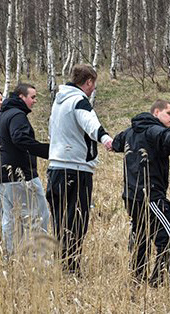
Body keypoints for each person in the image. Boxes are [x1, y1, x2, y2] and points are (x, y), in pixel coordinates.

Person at [111, 100, 170, 287]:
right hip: (151, 197)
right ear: (156, 113)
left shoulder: (130, 131)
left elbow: (116, 143)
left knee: (141, 238)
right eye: (169, 113)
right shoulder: (153, 130)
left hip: (131, 197)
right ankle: (158, 283)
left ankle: (137, 282)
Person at [47, 64, 113, 276]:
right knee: (77, 221)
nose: (93, 89)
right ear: (89, 82)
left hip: (55, 168)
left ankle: (62, 264)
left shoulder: (58, 102)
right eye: (93, 85)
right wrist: (107, 140)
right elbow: (91, 124)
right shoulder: (79, 101)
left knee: (59, 220)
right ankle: (72, 269)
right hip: (75, 169)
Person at [0, 83, 50, 257]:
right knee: (38, 216)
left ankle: (10, 257)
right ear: (21, 97)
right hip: (21, 177)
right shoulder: (18, 115)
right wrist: (48, 151)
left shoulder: (1, 116)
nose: (35, 101)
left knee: (9, 219)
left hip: (2, 176)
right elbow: (20, 138)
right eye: (32, 97)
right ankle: (39, 260)